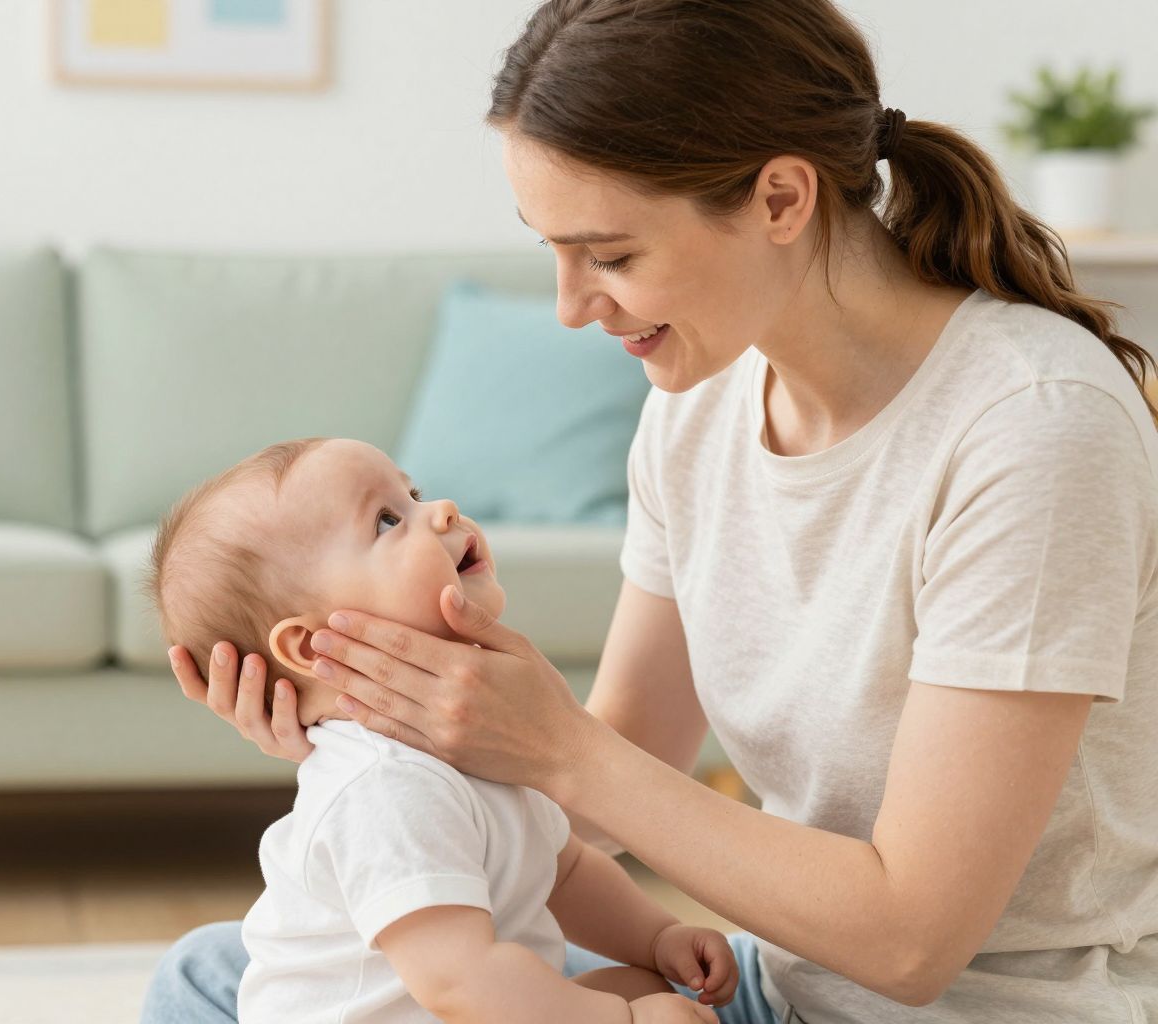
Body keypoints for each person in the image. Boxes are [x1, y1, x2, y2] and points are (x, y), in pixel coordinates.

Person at [149, 0, 1158, 1021]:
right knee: (223, 969)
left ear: (779, 198)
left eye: (612, 256)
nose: (569, 306)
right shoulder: (704, 403)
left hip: (952, 1004)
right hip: (783, 977)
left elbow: (911, 942)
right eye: (552, 249)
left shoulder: (1034, 429)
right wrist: (374, 750)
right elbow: (610, 776)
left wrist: (556, 747)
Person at [144, 436, 737, 1023]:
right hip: (455, 998)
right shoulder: (386, 785)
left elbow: (567, 869)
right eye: (385, 520)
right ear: (311, 643)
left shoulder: (479, 740)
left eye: (414, 493)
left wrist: (658, 938)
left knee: (639, 983)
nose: (443, 509)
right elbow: (461, 983)